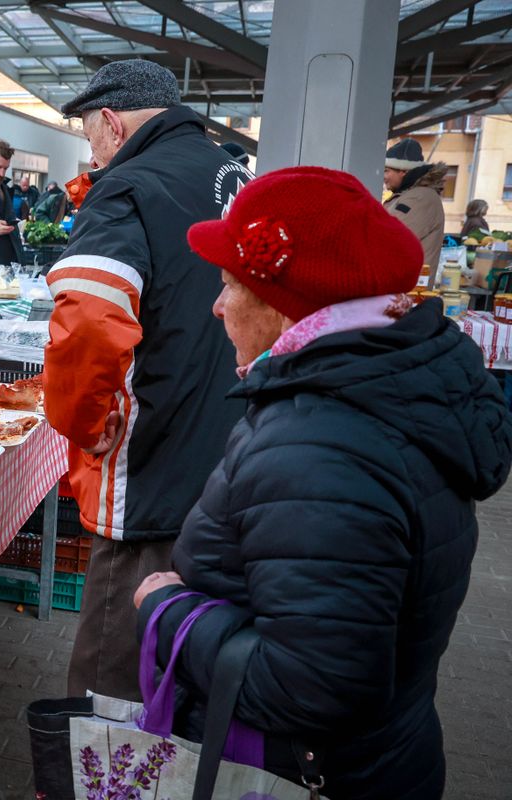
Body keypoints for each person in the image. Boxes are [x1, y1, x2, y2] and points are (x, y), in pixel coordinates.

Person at [134, 165, 512, 800]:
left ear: (288, 309)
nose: (217, 305)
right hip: (383, 757)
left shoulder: (319, 443)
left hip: (299, 775)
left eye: (229, 284)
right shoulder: (388, 387)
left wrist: (168, 610)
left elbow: (314, 688)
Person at [42, 58, 251, 701]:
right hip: (238, 451)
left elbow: (88, 321)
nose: (93, 150)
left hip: (154, 464)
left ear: (111, 121)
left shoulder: (129, 185)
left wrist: (78, 422)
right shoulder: (237, 176)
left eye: (89, 134)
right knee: (193, 648)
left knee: (116, 664)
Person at [383, 138, 447, 269]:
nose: (384, 176)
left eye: (387, 170)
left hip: (409, 286)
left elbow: (389, 238)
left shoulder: (419, 198)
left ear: (404, 171)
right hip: (404, 284)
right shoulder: (409, 195)